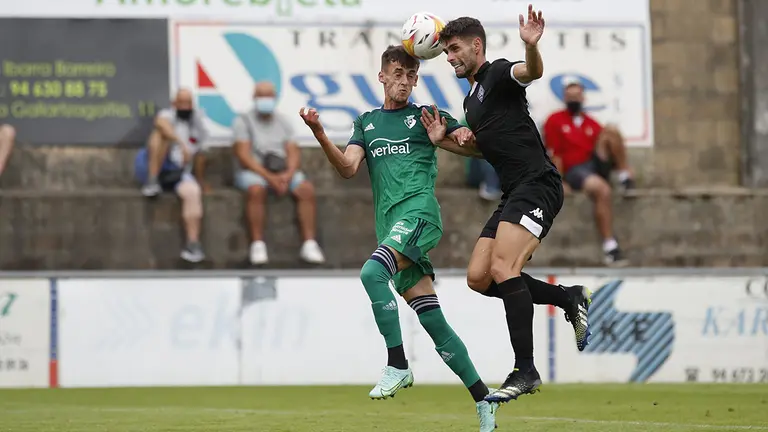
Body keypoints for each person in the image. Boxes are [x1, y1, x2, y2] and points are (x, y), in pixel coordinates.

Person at [299, 45, 499, 431]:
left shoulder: (426, 117)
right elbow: (347, 168)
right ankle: (483, 398)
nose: (404, 81)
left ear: (416, 80)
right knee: (434, 323)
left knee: (372, 274)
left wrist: (459, 135)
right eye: (397, 74)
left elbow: (473, 147)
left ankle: (397, 364)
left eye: (411, 76)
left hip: (420, 216)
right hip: (392, 227)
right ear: (382, 77)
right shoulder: (366, 123)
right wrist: (320, 132)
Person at [437, 6, 592, 403]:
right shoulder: (471, 102)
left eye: (454, 49)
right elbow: (487, 153)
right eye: (445, 53)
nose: (450, 57)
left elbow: (532, 72)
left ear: (476, 45)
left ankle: (526, 369)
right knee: (479, 277)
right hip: (513, 190)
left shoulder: (499, 73)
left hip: (538, 184)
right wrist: (444, 140)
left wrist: (531, 46)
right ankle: (567, 297)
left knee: (504, 268)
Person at [232, 81, 325, 265]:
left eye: (268, 95)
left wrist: (288, 174)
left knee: (305, 189)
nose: (265, 99)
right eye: (261, 95)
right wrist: (270, 178)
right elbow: (243, 155)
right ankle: (257, 245)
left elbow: (293, 151)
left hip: (282, 171)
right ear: (254, 98)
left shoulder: (284, 121)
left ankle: (309, 244)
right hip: (254, 171)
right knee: (256, 190)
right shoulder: (242, 121)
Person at [543, 76, 632, 266]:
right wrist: (558, 181)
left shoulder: (590, 123)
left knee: (611, 132)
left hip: (594, 163)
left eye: (577, 96)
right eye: (570, 96)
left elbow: (604, 146)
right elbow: (554, 154)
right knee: (602, 190)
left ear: (584, 98)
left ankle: (625, 176)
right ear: (565, 99)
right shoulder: (555, 120)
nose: (574, 100)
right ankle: (610, 246)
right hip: (576, 170)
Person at [137, 88, 209, 263]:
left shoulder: (197, 123)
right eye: (181, 103)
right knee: (159, 136)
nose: (184, 106)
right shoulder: (167, 115)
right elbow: (161, 123)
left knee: (193, 192)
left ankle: (193, 244)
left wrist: (201, 180)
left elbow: (201, 153)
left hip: (178, 172)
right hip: (156, 166)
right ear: (174, 104)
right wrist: (180, 142)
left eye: (188, 103)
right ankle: (152, 182)